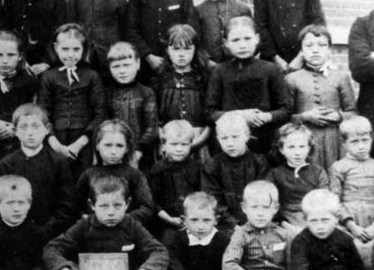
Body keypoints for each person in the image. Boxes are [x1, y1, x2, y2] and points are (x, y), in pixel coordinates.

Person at [43, 174, 169, 270]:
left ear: (127, 204)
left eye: (117, 205)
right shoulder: (84, 225)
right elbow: (51, 249)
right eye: (103, 206)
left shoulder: (132, 225)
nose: (111, 212)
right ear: (92, 205)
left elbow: (160, 252)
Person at [206, 16, 292, 155]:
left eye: (247, 38)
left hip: (265, 142)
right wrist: (240, 116)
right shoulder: (219, 71)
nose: (242, 45)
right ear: (226, 43)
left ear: (257, 38)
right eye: (235, 40)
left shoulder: (271, 69)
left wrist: (266, 116)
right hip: (229, 144)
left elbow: (286, 110)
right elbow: (209, 113)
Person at [37, 23, 106, 179]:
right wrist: (55, 143)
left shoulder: (92, 76)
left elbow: (100, 114)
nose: (70, 55)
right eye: (65, 49)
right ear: (56, 48)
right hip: (56, 139)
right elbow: (43, 113)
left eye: (76, 49)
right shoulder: (49, 76)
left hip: (84, 140)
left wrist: (79, 144)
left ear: (84, 49)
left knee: (83, 179)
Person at [0, 104, 76, 237]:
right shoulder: (6, 164)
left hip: (50, 234)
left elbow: (67, 205)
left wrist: (46, 231)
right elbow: (0, 204)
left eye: (36, 126)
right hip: (16, 235)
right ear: (15, 131)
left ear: (47, 129)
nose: (30, 133)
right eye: (24, 127)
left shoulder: (58, 162)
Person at [285, 25, 355, 170]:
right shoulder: (292, 79)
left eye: (322, 45)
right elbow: (286, 116)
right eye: (309, 45)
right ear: (301, 50)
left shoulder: (340, 77)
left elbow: (353, 112)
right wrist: (305, 116)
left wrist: (338, 116)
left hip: (334, 139)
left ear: (329, 50)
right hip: (304, 140)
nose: (315, 50)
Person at [328, 116, 374, 266]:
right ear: (343, 143)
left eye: (365, 140)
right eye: (354, 142)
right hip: (348, 221)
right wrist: (352, 226)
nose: (361, 146)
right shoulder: (338, 167)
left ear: (371, 139)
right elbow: (335, 201)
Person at [74, 120, 155, 227]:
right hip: (94, 230)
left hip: (126, 230)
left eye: (119, 146)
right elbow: (75, 206)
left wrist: (119, 219)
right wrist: (90, 219)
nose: (113, 151)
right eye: (108, 145)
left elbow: (147, 208)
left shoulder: (135, 175)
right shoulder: (88, 175)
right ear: (97, 145)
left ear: (127, 148)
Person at [67, 0, 128, 81]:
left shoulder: (120, 1)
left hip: (110, 62)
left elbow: (125, 34)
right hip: (82, 62)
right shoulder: (74, 0)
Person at [200, 112, 269, 231]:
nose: (230, 143)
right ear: (218, 139)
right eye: (224, 138)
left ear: (247, 136)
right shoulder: (212, 166)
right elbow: (213, 200)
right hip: (224, 224)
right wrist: (233, 225)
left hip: (256, 221)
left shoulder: (259, 163)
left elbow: (264, 196)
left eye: (235, 137)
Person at [0, 31, 38, 165]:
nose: (5, 61)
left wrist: (17, 128)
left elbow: (37, 114)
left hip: (21, 140)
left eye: (11, 55)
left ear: (20, 56)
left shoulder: (30, 83)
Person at [151, 24, 211, 155]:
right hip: (168, 141)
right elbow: (154, 116)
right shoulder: (160, 79)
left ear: (195, 49)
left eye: (187, 48)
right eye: (176, 49)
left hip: (198, 139)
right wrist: (163, 137)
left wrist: (199, 140)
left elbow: (211, 116)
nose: (182, 54)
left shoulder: (204, 78)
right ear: (167, 50)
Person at [266, 123, 329, 231]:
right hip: (287, 219)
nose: (297, 153)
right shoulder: (275, 174)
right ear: (281, 149)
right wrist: (285, 224)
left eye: (302, 146)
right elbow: (270, 203)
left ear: (309, 148)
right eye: (291, 147)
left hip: (314, 215)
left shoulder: (318, 172)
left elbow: (324, 199)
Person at [105, 42, 158, 170]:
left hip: (141, 154)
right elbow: (103, 125)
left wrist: (138, 153)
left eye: (127, 65)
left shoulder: (146, 93)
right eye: (116, 66)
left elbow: (151, 128)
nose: (122, 71)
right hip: (111, 153)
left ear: (137, 64)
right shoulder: (106, 93)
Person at [149, 120, 202, 242]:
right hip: (166, 221)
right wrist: (169, 219)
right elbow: (153, 202)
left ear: (191, 144)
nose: (179, 149)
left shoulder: (197, 167)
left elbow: (203, 195)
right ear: (163, 145)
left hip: (195, 219)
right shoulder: (158, 169)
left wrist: (193, 218)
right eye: (174, 144)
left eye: (184, 144)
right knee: (169, 240)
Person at [195, 0, 252, 66]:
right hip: (208, 68)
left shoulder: (242, 10)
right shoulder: (197, 11)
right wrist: (207, 62)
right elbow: (195, 43)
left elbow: (249, 40)